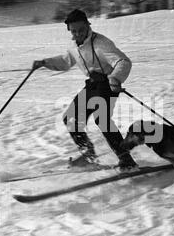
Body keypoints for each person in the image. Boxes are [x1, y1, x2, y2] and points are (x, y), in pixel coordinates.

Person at [32, 9, 138, 170]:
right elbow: (66, 61)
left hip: (108, 84)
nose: (78, 33)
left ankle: (126, 160)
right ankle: (88, 154)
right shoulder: (74, 45)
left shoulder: (101, 43)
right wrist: (45, 62)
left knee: (102, 119)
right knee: (70, 118)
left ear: (88, 26)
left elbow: (123, 61)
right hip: (92, 84)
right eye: (74, 30)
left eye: (81, 29)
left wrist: (116, 78)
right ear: (69, 30)